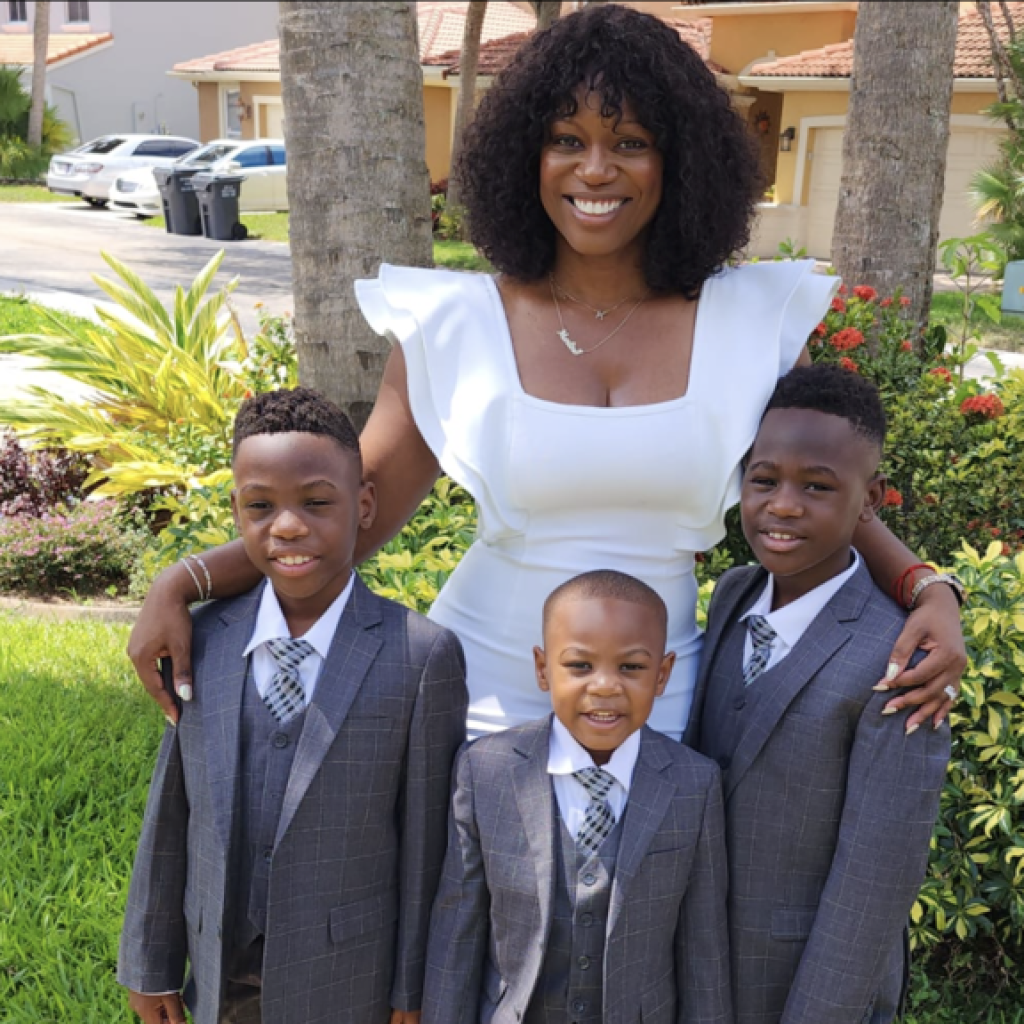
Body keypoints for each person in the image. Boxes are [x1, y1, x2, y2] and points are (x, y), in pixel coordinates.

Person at [127, 4, 965, 743]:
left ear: (681, 163)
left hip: (661, 704)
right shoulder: (455, 326)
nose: (594, 170)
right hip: (473, 702)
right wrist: (186, 580)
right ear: (524, 157)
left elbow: (823, 496)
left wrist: (928, 588)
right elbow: (348, 518)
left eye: (630, 143)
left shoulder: (755, 323)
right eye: (566, 141)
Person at [118, 388, 468, 1024]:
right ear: (236, 510)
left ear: (364, 505)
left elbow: (426, 845)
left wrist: (412, 991)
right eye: (261, 506)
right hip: (220, 970)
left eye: (316, 502)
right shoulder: (205, 639)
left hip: (348, 978)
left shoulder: (420, 655)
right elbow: (171, 812)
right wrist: (148, 962)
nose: (287, 526)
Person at [683, 364, 951, 1024]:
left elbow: (874, 882)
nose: (783, 504)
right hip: (699, 971)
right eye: (764, 480)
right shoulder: (734, 595)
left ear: (870, 499)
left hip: (807, 985)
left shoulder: (903, 660)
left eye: (818, 486)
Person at [423, 569, 732, 1024]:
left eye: (631, 667)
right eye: (580, 666)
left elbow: (703, 947)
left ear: (662, 674)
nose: (605, 686)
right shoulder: (485, 770)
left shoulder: (694, 784)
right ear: (543, 668)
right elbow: (458, 927)